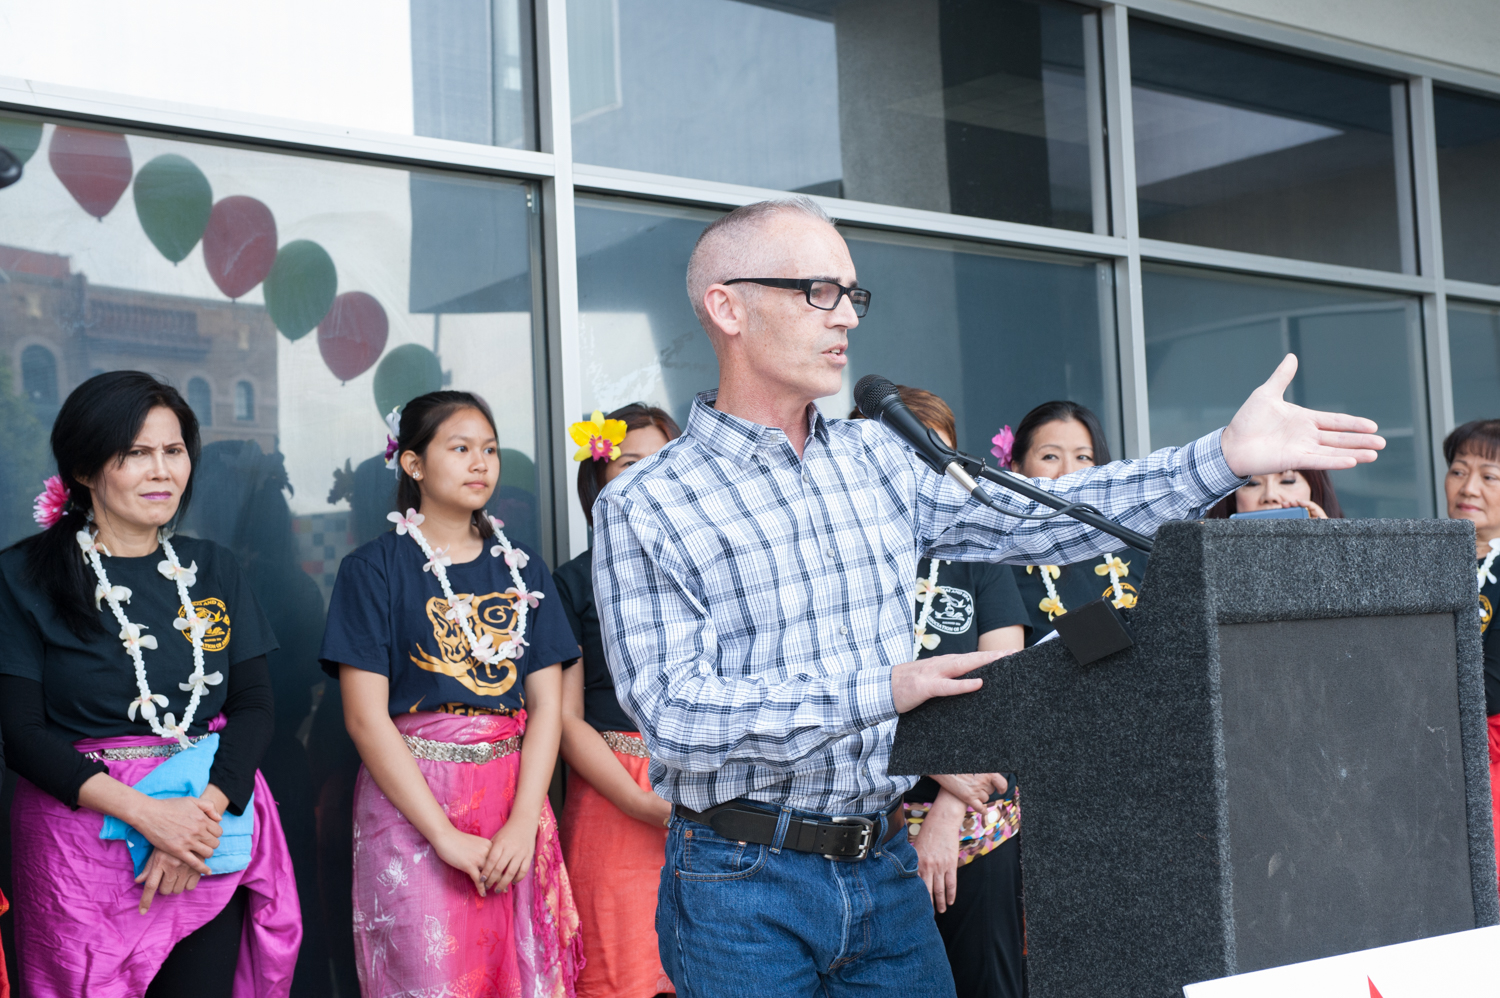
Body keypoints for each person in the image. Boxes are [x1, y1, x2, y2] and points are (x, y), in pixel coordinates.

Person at [590, 195, 1384, 997]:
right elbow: (677, 716)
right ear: (727, 306)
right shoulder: (647, 503)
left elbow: (1047, 523)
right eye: (817, 291)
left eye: (851, 293)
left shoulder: (879, 458)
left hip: (882, 864)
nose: (846, 318)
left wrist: (1220, 458)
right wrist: (884, 690)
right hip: (740, 880)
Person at [0, 371, 300, 997]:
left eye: (173, 450)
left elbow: (255, 706)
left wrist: (197, 818)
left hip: (207, 836)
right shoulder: (23, 574)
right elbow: (21, 736)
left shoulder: (215, 567)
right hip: (81, 848)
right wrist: (149, 818)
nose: (161, 471)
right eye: (136, 453)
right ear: (84, 467)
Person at [319, 390, 582, 998]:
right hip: (413, 806)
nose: (481, 463)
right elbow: (364, 720)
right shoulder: (374, 570)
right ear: (412, 464)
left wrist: (521, 825)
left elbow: (545, 709)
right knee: (428, 977)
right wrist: (441, 834)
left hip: (512, 800)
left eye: (488, 449)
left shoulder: (524, 571)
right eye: (459, 448)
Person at [852, 387, 1029, 998]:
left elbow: (1010, 690)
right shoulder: (840, 565)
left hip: (979, 818)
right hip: (867, 829)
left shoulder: (981, 554)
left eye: (937, 460)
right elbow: (837, 701)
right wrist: (940, 776)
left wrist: (950, 809)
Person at [555, 402, 682, 998]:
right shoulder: (573, 582)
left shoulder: (716, 569)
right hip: (612, 793)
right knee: (620, 974)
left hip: (710, 789)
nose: (649, 474)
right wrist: (638, 802)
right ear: (599, 477)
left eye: (663, 460)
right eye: (630, 463)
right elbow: (564, 717)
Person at [1001, 401, 1151, 643]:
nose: (1069, 472)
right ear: (1016, 469)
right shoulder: (999, 562)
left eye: (1083, 456)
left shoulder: (1137, 547)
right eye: (1050, 456)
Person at [1442, 417, 1500, 894]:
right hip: (1443, 755)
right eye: (1459, 470)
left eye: (1489, 476)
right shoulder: (1434, 553)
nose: (1469, 487)